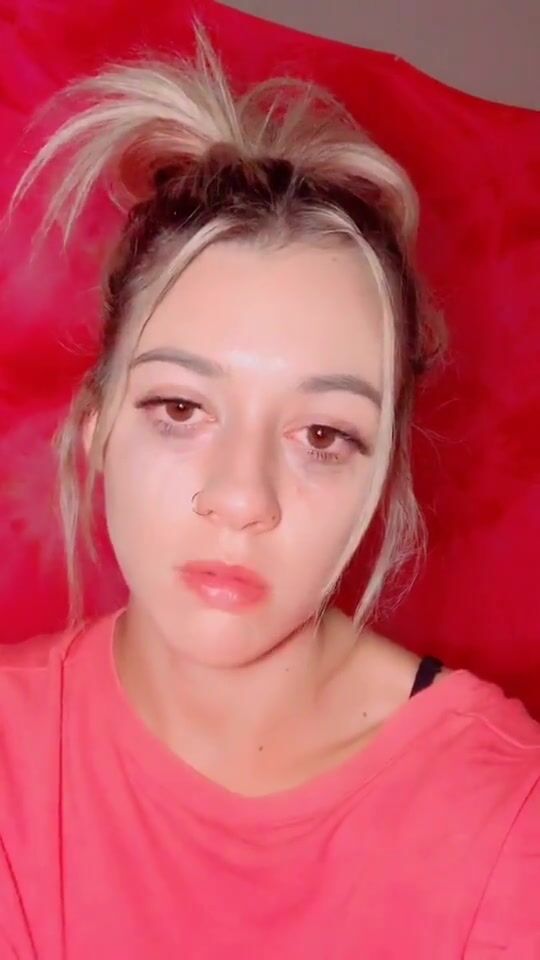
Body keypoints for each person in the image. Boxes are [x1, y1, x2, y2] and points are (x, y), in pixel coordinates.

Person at [1, 27, 539, 960]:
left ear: (384, 479)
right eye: (180, 408)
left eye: (323, 435)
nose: (242, 498)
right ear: (96, 429)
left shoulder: (507, 821)